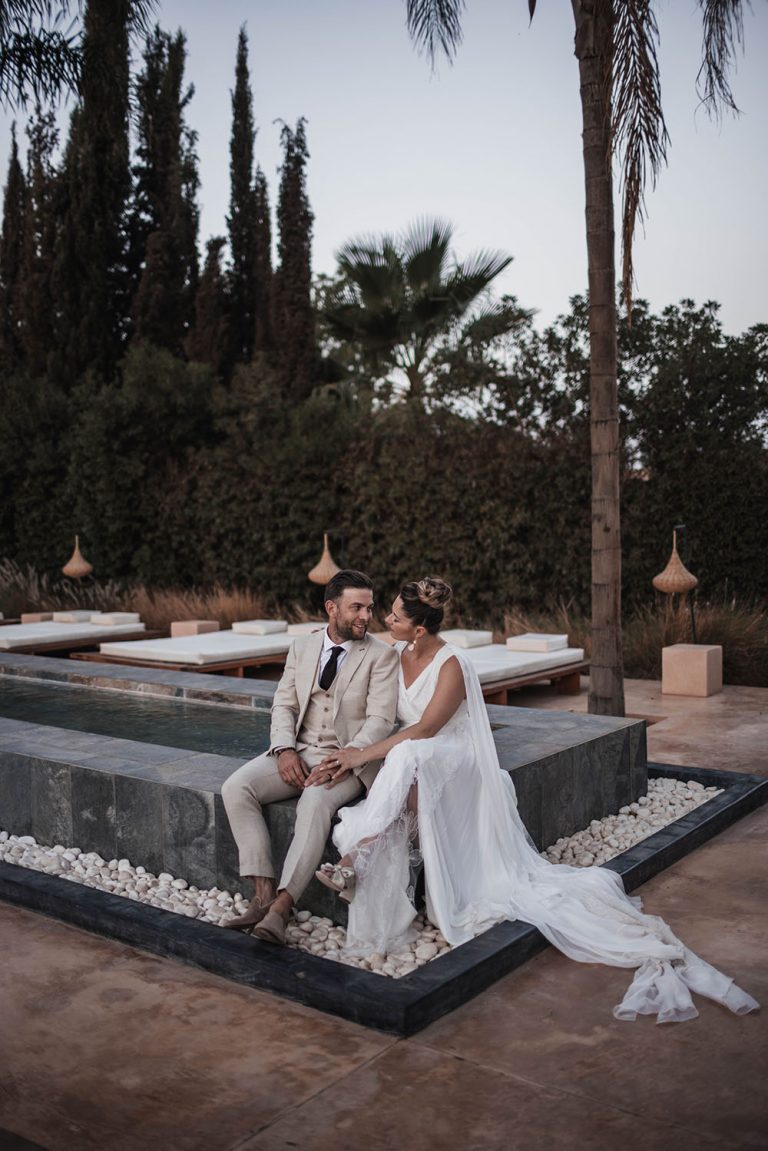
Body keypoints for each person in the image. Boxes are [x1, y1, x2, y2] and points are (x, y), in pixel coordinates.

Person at [314, 577, 759, 1024]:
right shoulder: (396, 654)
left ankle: (358, 854)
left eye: (394, 617)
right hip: (420, 761)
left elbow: (428, 729)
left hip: (455, 758)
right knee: (409, 761)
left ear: (419, 629)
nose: (386, 621)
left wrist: (361, 755)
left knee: (409, 754)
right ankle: (362, 855)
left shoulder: (452, 665)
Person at [221, 569, 399, 945]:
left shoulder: (382, 656)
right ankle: (263, 893)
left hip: (349, 760)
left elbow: (381, 720)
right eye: (357, 608)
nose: (366, 616)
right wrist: (285, 750)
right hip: (299, 750)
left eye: (369, 608)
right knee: (236, 787)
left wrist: (346, 758)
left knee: (315, 801)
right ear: (331, 608)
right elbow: (284, 705)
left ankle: (283, 907)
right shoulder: (302, 647)